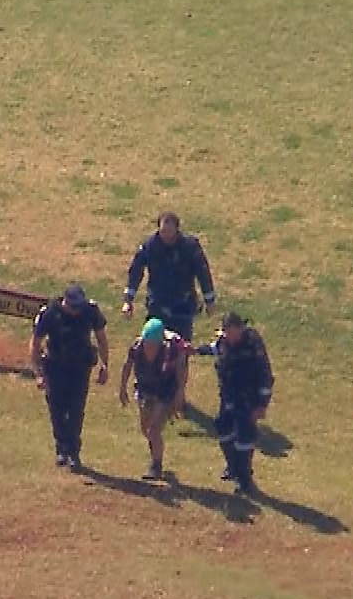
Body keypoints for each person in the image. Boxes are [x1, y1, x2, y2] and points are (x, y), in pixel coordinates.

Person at [193, 311, 274, 495]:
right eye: (226, 333)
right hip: (229, 396)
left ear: (239, 329)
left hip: (248, 398)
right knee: (223, 430)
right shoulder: (224, 341)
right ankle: (233, 467)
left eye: (231, 333)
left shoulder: (253, 344)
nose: (228, 338)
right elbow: (215, 349)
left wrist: (262, 405)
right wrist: (195, 350)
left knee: (245, 438)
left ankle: (245, 480)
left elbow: (265, 375)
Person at [29, 284, 109, 470]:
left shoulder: (90, 311)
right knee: (57, 410)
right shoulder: (50, 313)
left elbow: (101, 338)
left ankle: (73, 452)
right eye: (73, 307)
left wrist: (105, 365)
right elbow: (35, 343)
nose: (76, 312)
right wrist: (38, 373)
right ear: (65, 302)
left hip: (79, 369)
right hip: (55, 368)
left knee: (75, 411)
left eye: (78, 308)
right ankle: (61, 450)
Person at [122, 211, 216, 341]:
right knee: (153, 344)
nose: (166, 236)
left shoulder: (190, 247)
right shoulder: (150, 246)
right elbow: (136, 271)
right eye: (163, 232)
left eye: (170, 232)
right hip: (157, 305)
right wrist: (128, 300)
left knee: (181, 348)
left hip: (182, 307)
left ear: (177, 230)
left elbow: (203, 273)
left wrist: (209, 300)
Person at [117, 317, 190, 479]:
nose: (148, 348)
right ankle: (156, 456)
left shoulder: (171, 351)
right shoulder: (137, 348)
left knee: (154, 429)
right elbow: (127, 366)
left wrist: (180, 393)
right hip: (145, 389)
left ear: (159, 344)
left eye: (152, 345)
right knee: (146, 429)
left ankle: (156, 466)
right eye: (146, 343)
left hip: (165, 391)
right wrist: (122, 388)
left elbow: (181, 370)